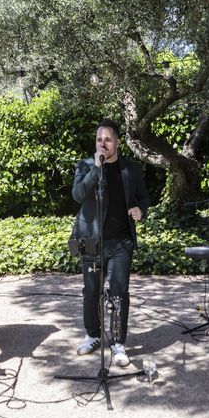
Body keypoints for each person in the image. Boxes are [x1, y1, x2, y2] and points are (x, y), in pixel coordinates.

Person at [71, 119, 150, 367]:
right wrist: (96, 169)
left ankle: (118, 343)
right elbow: (78, 195)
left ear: (117, 142)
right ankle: (93, 335)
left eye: (107, 139)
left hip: (121, 243)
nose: (102, 143)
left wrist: (141, 210)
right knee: (91, 291)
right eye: (99, 139)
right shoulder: (85, 166)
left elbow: (144, 198)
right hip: (91, 241)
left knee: (119, 293)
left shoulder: (131, 169)